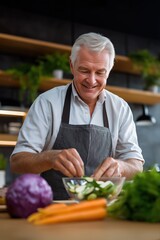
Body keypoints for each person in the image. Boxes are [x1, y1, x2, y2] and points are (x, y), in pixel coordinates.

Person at [10, 32, 144, 200]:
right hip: (53, 208)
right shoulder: (47, 103)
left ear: (109, 71)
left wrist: (121, 167)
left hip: (101, 210)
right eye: (84, 70)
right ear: (72, 66)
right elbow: (17, 162)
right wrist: (49, 158)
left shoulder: (120, 108)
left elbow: (136, 165)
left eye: (100, 72)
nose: (92, 80)